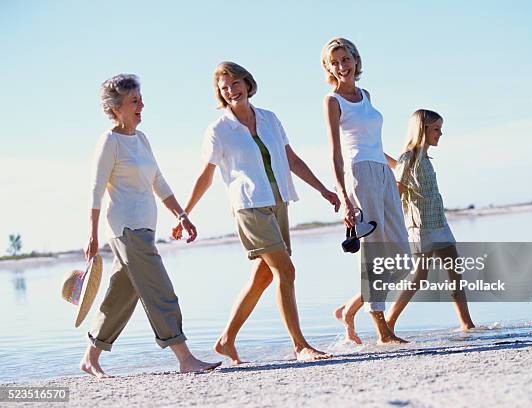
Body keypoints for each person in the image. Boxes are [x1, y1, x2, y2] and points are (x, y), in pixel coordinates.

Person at [173, 62, 341, 364]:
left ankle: (226, 340)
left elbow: (291, 159)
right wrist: (184, 213)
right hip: (249, 206)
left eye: (235, 83)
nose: (231, 90)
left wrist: (322, 189)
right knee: (286, 271)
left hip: (279, 200)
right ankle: (300, 345)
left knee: (264, 276)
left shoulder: (270, 119)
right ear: (221, 95)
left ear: (247, 83)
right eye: (224, 88)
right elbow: (205, 175)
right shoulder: (219, 130)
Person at [82, 74, 221, 378]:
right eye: (135, 101)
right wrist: (91, 235)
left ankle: (90, 358)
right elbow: (95, 189)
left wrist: (180, 214)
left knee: (122, 294)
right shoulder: (109, 141)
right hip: (126, 228)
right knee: (160, 290)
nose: (142, 105)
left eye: (140, 98)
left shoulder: (142, 139)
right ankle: (184, 357)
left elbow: (158, 180)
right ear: (116, 107)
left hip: (144, 227)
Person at [321, 38, 410, 345]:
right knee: (375, 253)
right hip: (358, 175)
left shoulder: (366, 95)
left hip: (382, 172)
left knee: (402, 255)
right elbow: (335, 153)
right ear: (328, 68)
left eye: (346, 59)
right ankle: (382, 328)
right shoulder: (332, 101)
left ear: (356, 61)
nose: (341, 66)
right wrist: (344, 197)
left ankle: (349, 309)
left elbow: (375, 143)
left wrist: (400, 167)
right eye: (335, 62)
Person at [386, 109, 476, 331]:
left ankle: (467, 324)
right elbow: (397, 194)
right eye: (436, 129)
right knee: (419, 277)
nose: (440, 134)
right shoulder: (408, 159)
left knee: (455, 273)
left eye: (440, 129)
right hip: (421, 228)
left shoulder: (424, 158)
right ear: (422, 130)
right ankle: (387, 323)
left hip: (440, 225)